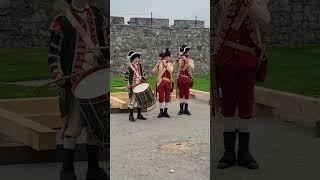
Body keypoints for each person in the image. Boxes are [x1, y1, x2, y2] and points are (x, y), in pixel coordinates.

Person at [48, 0, 109, 179]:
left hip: (96, 82)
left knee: (94, 128)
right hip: (75, 84)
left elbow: (106, 48)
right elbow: (53, 55)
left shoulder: (98, 18)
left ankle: (93, 169)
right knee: (72, 128)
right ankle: (67, 170)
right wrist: (58, 74)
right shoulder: (62, 21)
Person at [213, 0, 271, 169]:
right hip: (227, 58)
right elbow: (217, 15)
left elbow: (265, 20)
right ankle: (228, 152)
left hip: (248, 60)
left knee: (246, 103)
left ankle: (244, 152)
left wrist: (249, 4)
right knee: (228, 104)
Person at [124, 51, 147, 122]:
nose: (138, 59)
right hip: (133, 87)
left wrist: (144, 77)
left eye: (138, 57)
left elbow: (142, 73)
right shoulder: (129, 67)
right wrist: (127, 84)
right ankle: (130, 115)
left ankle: (139, 114)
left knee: (140, 101)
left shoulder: (140, 66)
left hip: (140, 86)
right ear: (133, 58)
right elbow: (126, 76)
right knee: (132, 101)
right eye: (137, 58)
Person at [153, 48, 174, 118]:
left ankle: (166, 111)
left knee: (167, 97)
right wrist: (156, 65)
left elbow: (171, 71)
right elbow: (153, 72)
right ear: (164, 58)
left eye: (168, 57)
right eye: (166, 57)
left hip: (167, 83)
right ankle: (161, 111)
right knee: (161, 97)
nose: (168, 58)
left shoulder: (170, 64)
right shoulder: (159, 64)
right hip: (160, 82)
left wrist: (165, 65)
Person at [176, 45, 194, 115]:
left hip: (187, 79)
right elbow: (176, 65)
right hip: (180, 78)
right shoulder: (180, 60)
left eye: (187, 52)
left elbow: (192, 67)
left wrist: (187, 61)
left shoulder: (190, 60)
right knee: (181, 93)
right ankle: (181, 109)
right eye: (186, 52)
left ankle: (186, 109)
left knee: (186, 93)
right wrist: (180, 59)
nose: (187, 53)